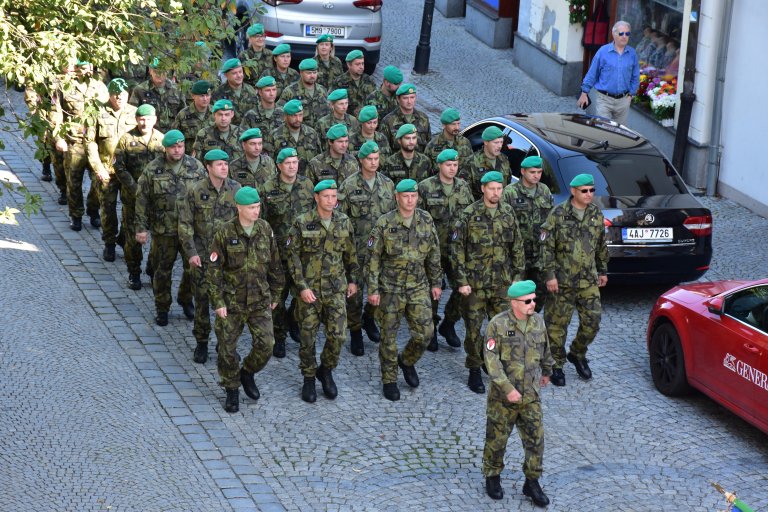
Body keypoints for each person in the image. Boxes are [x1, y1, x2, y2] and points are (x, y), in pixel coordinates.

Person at [207, 186, 285, 413]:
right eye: (251, 207)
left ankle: (247, 372)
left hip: (259, 300)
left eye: (258, 206)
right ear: (239, 208)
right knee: (227, 349)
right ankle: (231, 388)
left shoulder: (265, 229)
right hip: (232, 302)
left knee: (266, 345)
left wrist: (277, 293)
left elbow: (275, 264)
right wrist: (218, 302)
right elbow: (213, 271)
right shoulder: (224, 232)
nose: (256, 211)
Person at [367, 178, 442, 401]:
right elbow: (373, 258)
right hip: (391, 287)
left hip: (418, 285)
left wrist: (436, 282)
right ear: (397, 198)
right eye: (405, 196)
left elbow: (434, 254)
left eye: (413, 196)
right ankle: (389, 379)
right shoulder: (384, 223)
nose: (410, 200)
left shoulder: (426, 220)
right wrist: (373, 289)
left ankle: (407, 360)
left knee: (425, 333)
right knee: (388, 336)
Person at [285, 179, 360, 403]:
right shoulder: (302, 223)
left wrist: (353, 281)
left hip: (336, 289)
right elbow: (293, 258)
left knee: (338, 335)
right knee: (307, 337)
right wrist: (301, 288)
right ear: (316, 197)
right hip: (310, 291)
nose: (331, 200)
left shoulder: (344, 222)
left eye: (334, 196)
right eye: (326, 196)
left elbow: (351, 255)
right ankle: (308, 376)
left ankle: (325, 370)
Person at [451, 171, 525, 394]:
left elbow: (517, 248)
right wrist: (462, 281)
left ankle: (497, 365)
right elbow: (457, 250)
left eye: (500, 189)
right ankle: (474, 369)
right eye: (492, 188)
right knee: (473, 330)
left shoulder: (507, 213)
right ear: (483, 189)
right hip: (474, 284)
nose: (496, 193)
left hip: (501, 283)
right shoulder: (469, 215)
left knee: (504, 328)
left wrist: (518, 279)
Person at [482, 280, 552, 507]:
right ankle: (492, 477)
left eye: (534, 299)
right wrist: (507, 389)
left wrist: (548, 370)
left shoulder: (538, 322)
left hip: (530, 395)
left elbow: (545, 348)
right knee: (497, 439)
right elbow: (491, 362)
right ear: (514, 303)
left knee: (536, 440)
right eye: (527, 301)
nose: (533, 304)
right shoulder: (497, 325)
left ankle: (532, 481)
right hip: (503, 398)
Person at [539, 173, 609, 387]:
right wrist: (549, 276)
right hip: (562, 281)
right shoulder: (558, 214)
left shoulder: (596, 214)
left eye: (591, 191)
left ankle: (577, 353)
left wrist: (603, 270)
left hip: (588, 280)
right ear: (573, 191)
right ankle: (556, 364)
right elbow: (546, 247)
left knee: (593, 321)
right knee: (556, 326)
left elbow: (601, 246)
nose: (589, 195)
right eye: (584, 191)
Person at [135, 130, 206, 326]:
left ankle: (185, 297)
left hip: (189, 231)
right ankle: (162, 307)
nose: (177, 149)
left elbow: (204, 196)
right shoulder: (153, 169)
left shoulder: (195, 167)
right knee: (162, 271)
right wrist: (141, 228)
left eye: (181, 146)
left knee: (193, 268)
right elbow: (142, 200)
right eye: (173, 146)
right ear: (165, 148)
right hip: (163, 230)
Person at [178, 149, 241, 364]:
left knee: (229, 303)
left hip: (228, 259)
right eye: (219, 164)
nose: (224, 167)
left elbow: (244, 222)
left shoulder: (236, 189)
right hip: (203, 257)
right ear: (208, 168)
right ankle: (202, 342)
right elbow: (185, 224)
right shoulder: (195, 190)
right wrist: (191, 253)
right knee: (202, 301)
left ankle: (226, 342)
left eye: (226, 163)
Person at [337, 141, 396, 355]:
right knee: (354, 293)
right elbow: (340, 218)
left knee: (379, 288)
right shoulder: (348, 185)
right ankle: (354, 331)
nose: (373, 163)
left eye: (376, 159)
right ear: (361, 160)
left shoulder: (388, 184)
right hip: (356, 250)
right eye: (369, 159)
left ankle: (369, 317)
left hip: (380, 251)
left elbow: (393, 217)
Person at [417, 149, 474, 351]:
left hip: (457, 249)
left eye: (455, 165)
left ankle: (449, 323)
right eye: (448, 164)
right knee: (433, 291)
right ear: (440, 165)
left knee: (463, 287)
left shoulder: (464, 188)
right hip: (433, 250)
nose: (452, 168)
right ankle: (430, 329)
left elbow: (469, 218)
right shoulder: (425, 187)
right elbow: (419, 219)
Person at [261, 148, 315, 358]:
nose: (292, 166)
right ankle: (279, 336)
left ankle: (294, 320)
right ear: (279, 166)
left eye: (295, 162)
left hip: (303, 252)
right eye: (288, 163)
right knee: (277, 296)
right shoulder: (268, 188)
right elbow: (263, 222)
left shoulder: (307, 185)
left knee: (302, 293)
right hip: (279, 253)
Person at [52, 60, 109, 231]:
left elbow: (108, 112)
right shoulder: (63, 87)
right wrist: (58, 138)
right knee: (74, 181)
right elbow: (56, 112)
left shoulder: (100, 87)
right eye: (79, 68)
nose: (83, 71)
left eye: (86, 68)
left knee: (98, 181)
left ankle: (93, 209)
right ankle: (75, 215)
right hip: (74, 140)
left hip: (96, 143)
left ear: (91, 68)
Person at [113, 104, 165, 290]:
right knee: (132, 238)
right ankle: (134, 272)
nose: (145, 123)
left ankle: (152, 270)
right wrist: (135, 187)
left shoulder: (161, 140)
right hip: (133, 198)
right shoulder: (127, 139)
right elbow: (119, 166)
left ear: (155, 120)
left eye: (149, 119)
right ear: (136, 119)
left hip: (157, 199)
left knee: (158, 238)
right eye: (142, 119)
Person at [86, 78, 137, 262]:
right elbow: (90, 142)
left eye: (123, 94)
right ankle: (109, 242)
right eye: (116, 94)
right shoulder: (99, 113)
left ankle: (123, 238)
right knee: (107, 207)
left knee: (129, 207)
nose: (119, 97)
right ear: (110, 95)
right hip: (107, 169)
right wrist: (98, 167)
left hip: (127, 171)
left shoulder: (134, 113)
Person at [501, 156, 554, 312]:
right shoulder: (510, 192)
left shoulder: (544, 190)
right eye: (532, 172)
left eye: (539, 172)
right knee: (515, 294)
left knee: (540, 292)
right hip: (518, 254)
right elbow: (504, 224)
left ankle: (532, 321)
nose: (536, 175)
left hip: (539, 252)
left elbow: (551, 220)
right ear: (523, 172)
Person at [578, 20, 640, 126]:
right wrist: (584, 93)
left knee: (620, 133)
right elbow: (592, 73)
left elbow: (635, 76)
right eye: (621, 33)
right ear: (613, 34)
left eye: (627, 33)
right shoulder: (603, 52)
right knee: (604, 129)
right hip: (604, 100)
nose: (624, 36)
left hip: (623, 101)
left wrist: (631, 95)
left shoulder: (632, 54)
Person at [129, 57, 186, 132]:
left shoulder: (177, 89)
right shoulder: (140, 90)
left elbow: (183, 114)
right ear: (150, 71)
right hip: (149, 134)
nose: (159, 74)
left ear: (167, 71)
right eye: (156, 71)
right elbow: (131, 114)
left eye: (162, 71)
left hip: (172, 135)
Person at [267, 99, 322, 176]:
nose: (298, 119)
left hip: (308, 182)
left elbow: (319, 160)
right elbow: (269, 162)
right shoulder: (275, 135)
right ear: (285, 116)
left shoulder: (311, 133)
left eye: (300, 115)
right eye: (294, 116)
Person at [277, 58, 329, 131]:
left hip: (320, 134)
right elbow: (279, 111)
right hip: (301, 134)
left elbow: (328, 113)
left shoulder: (322, 90)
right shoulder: (290, 91)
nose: (312, 76)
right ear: (301, 73)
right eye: (309, 73)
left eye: (314, 72)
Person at [381, 83, 431, 154]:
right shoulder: (388, 121)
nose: (409, 102)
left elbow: (429, 146)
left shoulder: (424, 118)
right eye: (405, 98)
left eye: (412, 97)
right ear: (398, 99)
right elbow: (384, 148)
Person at [466, 126, 511, 200]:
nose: (500, 146)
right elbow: (464, 192)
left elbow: (507, 185)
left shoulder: (504, 160)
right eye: (496, 142)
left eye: (501, 142)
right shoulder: (471, 162)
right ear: (486, 142)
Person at [424, 108, 473, 175]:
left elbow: (471, 166)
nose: (457, 127)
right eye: (453, 124)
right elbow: (426, 170)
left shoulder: (465, 142)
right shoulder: (433, 145)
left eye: (458, 124)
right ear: (444, 125)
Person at [211, 58, 259, 126]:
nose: (239, 76)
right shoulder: (218, 93)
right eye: (234, 73)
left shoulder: (250, 90)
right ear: (226, 75)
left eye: (240, 72)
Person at [172, 80, 213, 156]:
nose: (205, 99)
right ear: (193, 96)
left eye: (207, 95)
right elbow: (175, 139)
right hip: (190, 160)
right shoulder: (183, 115)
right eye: (202, 96)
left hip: (213, 159)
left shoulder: (216, 113)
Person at [331, 50, 376, 115]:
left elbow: (374, 101)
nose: (361, 67)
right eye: (358, 64)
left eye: (362, 63)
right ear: (349, 65)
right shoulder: (339, 82)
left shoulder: (370, 81)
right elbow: (333, 104)